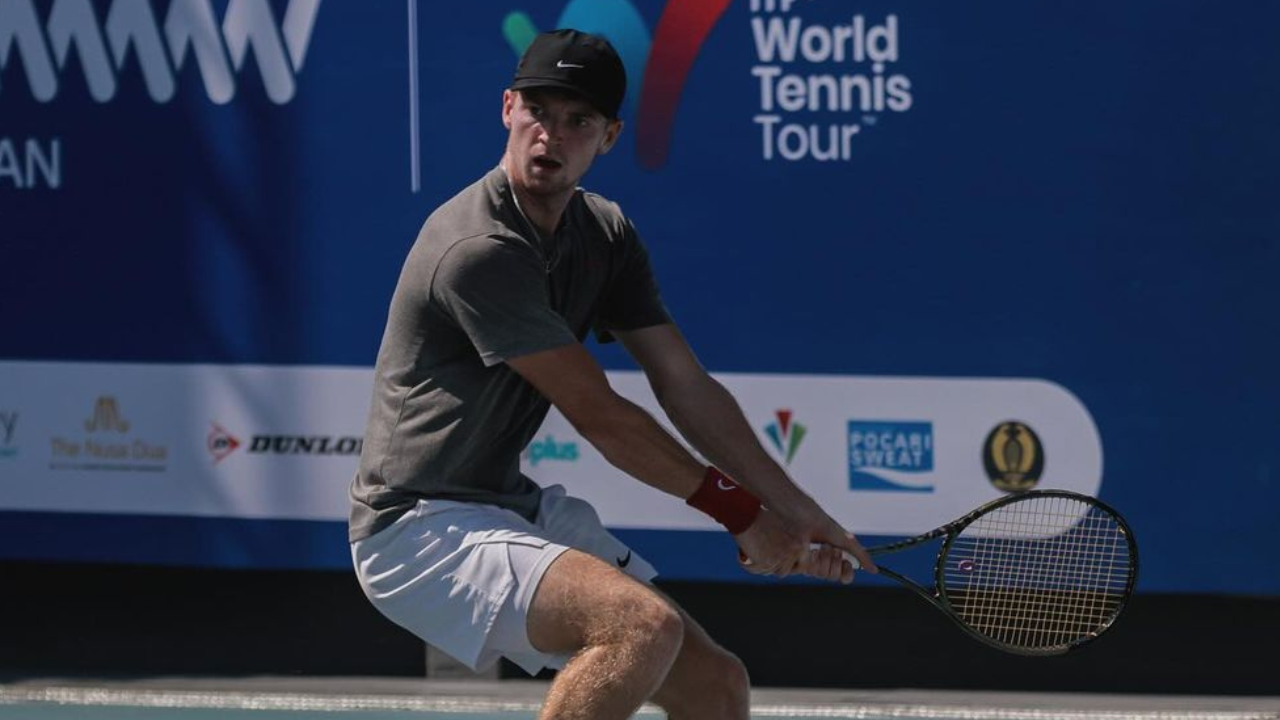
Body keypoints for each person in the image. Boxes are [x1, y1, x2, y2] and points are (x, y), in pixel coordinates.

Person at [350, 28, 876, 720]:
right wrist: (743, 514)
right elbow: (598, 415)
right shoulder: (478, 249)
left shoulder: (603, 233)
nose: (552, 135)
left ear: (610, 137)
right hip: (415, 527)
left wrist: (797, 513)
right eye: (539, 110)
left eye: (579, 121)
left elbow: (684, 385)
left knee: (715, 686)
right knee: (636, 628)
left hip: (505, 505)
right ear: (508, 108)